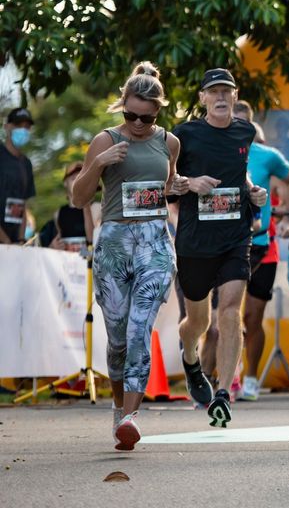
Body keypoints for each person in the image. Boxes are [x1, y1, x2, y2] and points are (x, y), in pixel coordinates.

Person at [72, 63, 187, 449]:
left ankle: (133, 417)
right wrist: (98, 165)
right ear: (122, 107)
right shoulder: (104, 141)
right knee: (119, 338)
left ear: (158, 112)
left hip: (155, 241)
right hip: (116, 242)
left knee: (140, 329)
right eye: (131, 115)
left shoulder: (169, 142)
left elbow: (167, 184)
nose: (138, 123)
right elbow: (78, 197)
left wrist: (184, 186)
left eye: (146, 117)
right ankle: (120, 410)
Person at [172, 68, 267, 428]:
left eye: (227, 90)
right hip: (195, 241)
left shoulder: (245, 132)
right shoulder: (184, 135)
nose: (221, 97)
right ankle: (190, 358)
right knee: (198, 322)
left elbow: (239, 174)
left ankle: (224, 393)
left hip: (235, 236)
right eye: (214, 91)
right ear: (203, 99)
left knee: (230, 313)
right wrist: (191, 183)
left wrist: (252, 190)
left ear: (235, 94)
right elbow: (168, 181)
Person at [232, 101, 289, 401]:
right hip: (228, 245)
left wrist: (287, 216)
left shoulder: (266, 156)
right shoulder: (214, 153)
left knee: (251, 317)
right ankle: (226, 377)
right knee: (226, 317)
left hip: (263, 246)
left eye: (243, 123)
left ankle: (249, 379)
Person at [1, 107, 36, 244]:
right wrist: (4, 240)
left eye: (26, 126)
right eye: (18, 125)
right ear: (6, 126)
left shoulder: (26, 164)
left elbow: (23, 204)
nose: (23, 130)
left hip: (13, 242)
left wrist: (21, 239)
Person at [50, 163, 97, 253]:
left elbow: (94, 241)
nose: (77, 181)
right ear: (65, 183)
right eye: (73, 178)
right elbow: (58, 241)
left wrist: (85, 201)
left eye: (80, 178)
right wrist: (53, 247)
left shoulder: (96, 208)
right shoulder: (58, 213)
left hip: (89, 264)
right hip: (66, 264)